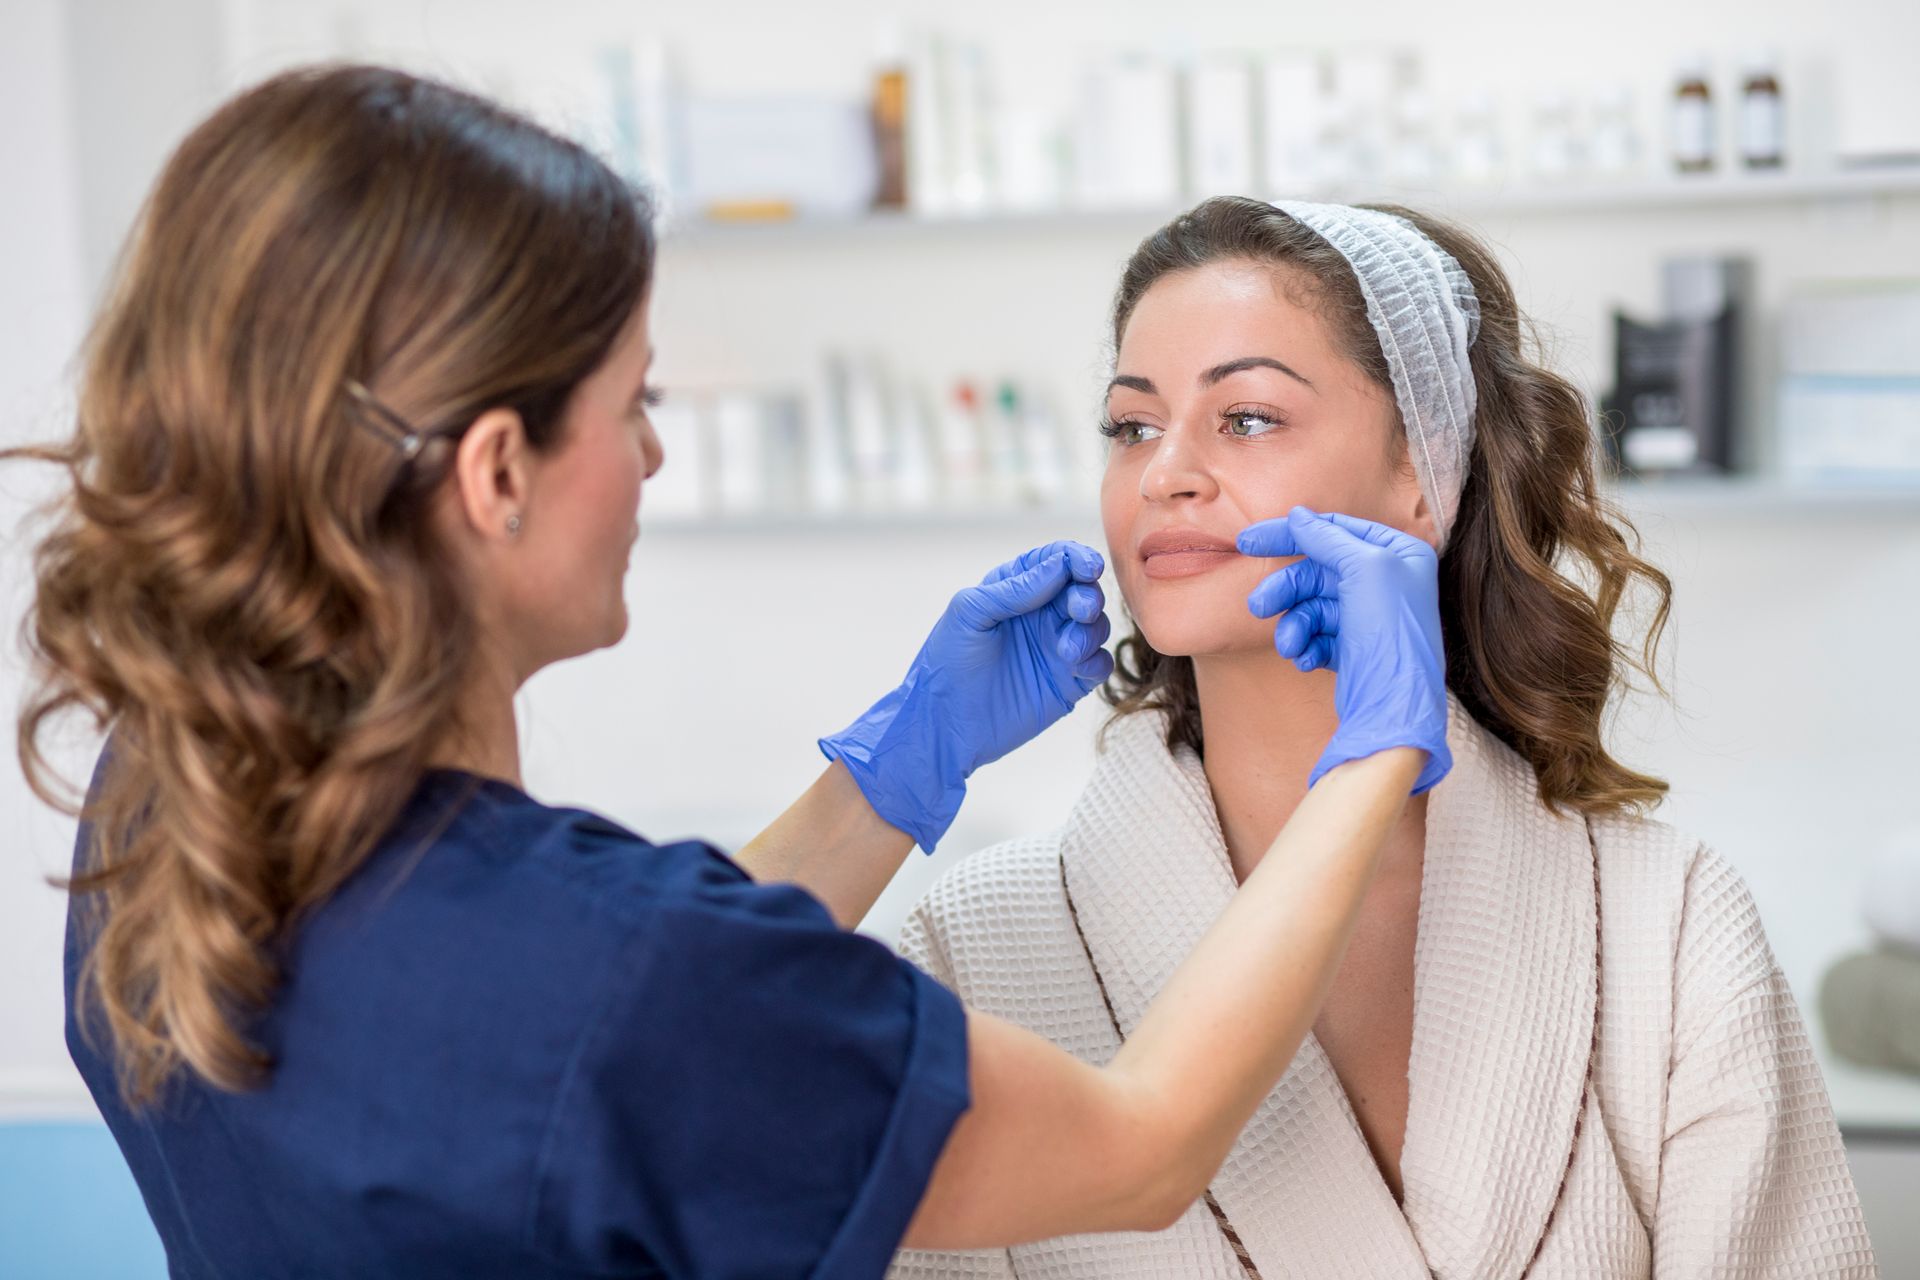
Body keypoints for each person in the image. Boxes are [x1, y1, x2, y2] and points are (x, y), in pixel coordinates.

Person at [7, 69, 1452, 1277]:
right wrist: (1377, 747)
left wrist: (893, 771)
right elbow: (1142, 1146)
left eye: (1248, 417)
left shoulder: (164, 813)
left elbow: (610, 1050)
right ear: (500, 472)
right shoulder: (629, 976)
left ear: (1421, 482)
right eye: (631, 404)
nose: (651, 454)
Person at [888, 197, 1875, 1279]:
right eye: (1131, 425)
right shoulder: (978, 949)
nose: (1163, 471)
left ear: (1423, 468)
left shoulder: (1663, 923)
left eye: (1248, 416)